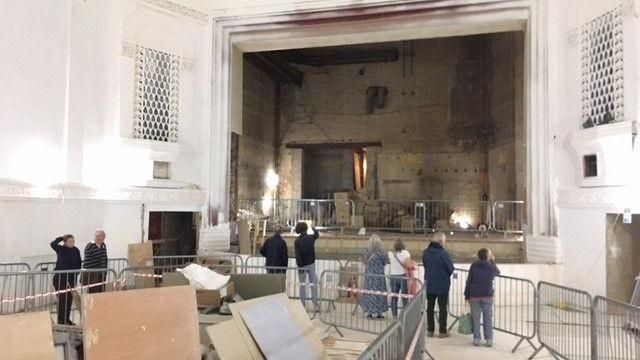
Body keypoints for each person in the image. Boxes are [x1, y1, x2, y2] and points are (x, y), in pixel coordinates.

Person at [465, 248, 500, 347]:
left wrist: (466, 295)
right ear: (488, 256)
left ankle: (477, 339)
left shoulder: (474, 265)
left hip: (474, 295)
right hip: (487, 295)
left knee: (475, 318)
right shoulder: (491, 266)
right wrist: (492, 260)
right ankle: (488, 339)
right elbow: (497, 272)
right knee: (487, 318)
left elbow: (469, 281)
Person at [423, 232, 454, 338]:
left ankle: (430, 330)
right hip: (442, 284)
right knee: (442, 308)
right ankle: (442, 331)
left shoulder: (426, 252)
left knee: (430, 307)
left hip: (430, 283)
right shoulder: (443, 254)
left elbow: (425, 264)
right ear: (441, 242)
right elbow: (451, 268)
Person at [50, 234, 82, 325]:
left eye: (73, 241)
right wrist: (60, 238)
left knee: (69, 300)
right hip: (61, 278)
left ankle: (67, 319)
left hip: (71, 279)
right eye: (70, 241)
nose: (72, 243)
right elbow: (52, 244)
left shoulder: (76, 250)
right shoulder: (60, 249)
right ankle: (61, 321)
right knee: (62, 300)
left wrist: (76, 273)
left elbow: (79, 263)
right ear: (65, 242)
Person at [360, 234, 388, 318]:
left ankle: (370, 312)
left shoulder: (367, 251)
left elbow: (365, 262)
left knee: (369, 293)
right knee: (380, 293)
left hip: (369, 275)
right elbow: (384, 262)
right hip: (379, 275)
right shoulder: (382, 252)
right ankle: (379, 312)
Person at [294, 222, 320, 311]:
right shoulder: (310, 238)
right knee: (313, 285)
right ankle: (315, 305)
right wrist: (313, 228)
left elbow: (298, 255)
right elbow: (317, 235)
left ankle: (302, 305)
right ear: (305, 229)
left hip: (302, 265)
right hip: (311, 264)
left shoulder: (297, 241)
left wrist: (300, 266)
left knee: (302, 286)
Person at [388, 238, 411, 318]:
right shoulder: (405, 253)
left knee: (394, 297)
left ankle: (394, 316)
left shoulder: (390, 253)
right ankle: (405, 315)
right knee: (404, 297)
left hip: (393, 276)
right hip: (402, 276)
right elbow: (409, 265)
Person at [83, 229, 109, 293]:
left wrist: (105, 269)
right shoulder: (91, 246)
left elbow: (105, 258)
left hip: (101, 272)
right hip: (93, 273)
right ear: (96, 236)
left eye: (103, 236)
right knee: (93, 290)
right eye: (98, 236)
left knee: (101, 290)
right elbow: (94, 259)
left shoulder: (103, 245)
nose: (101, 238)